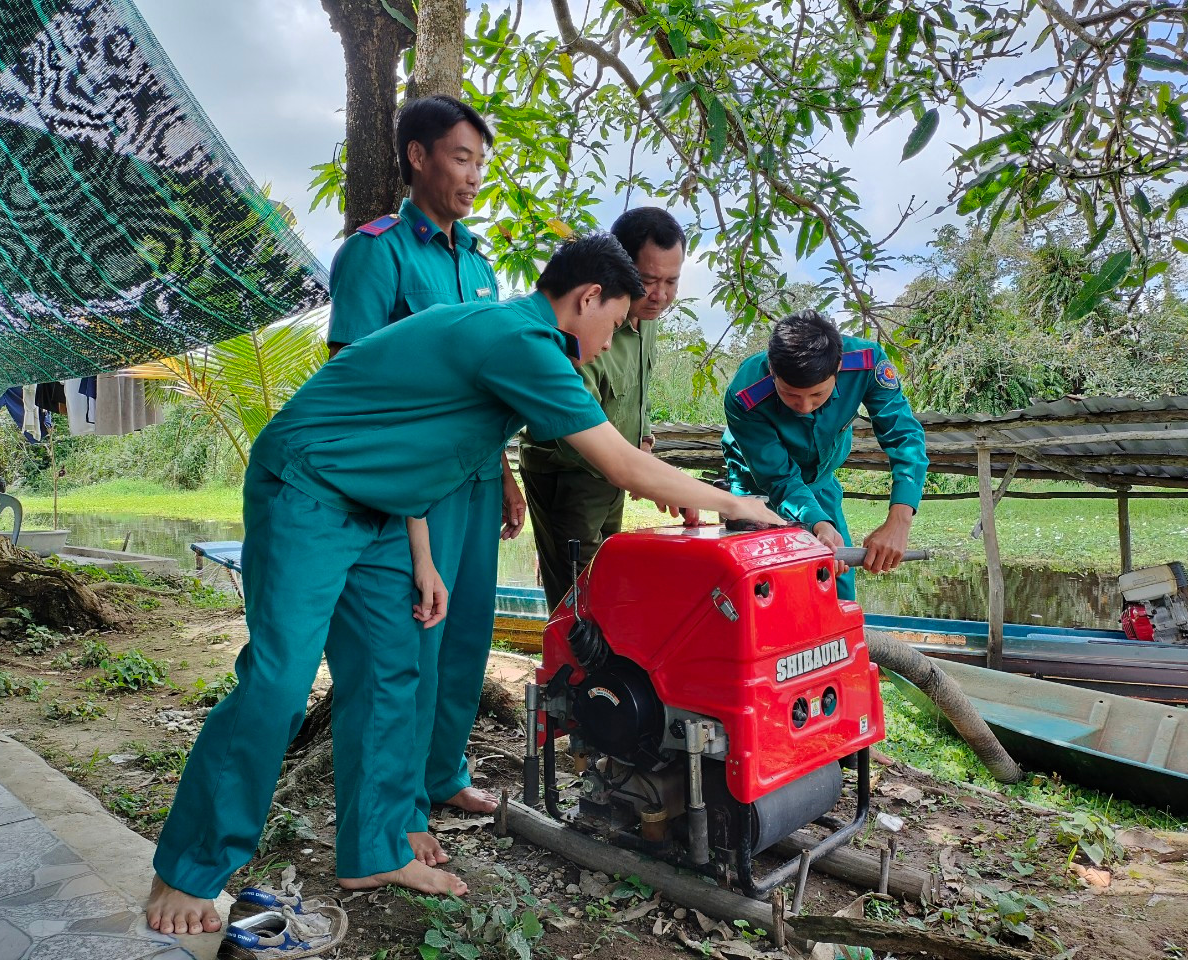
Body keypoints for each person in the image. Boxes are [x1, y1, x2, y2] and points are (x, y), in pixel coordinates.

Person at [144, 234, 782, 936]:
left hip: (385, 511)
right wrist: (740, 505)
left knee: (393, 676)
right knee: (277, 682)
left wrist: (422, 559)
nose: (612, 341)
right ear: (587, 298)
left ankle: (375, 848)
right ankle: (188, 869)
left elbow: (414, 439)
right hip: (309, 487)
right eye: (615, 320)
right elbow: (623, 466)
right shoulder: (521, 339)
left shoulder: (514, 341)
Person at [323, 95, 523, 867]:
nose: (474, 175)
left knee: (468, 636)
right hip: (415, 492)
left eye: (481, 160)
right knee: (414, 642)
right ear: (417, 156)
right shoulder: (376, 253)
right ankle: (399, 807)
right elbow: (358, 389)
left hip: (474, 483)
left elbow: (483, 387)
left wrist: (504, 472)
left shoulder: (477, 262)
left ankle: (444, 773)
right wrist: (404, 502)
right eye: (461, 157)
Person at [519, 207, 685, 610]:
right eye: (648, 281)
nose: (659, 296)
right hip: (570, 472)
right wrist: (644, 474)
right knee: (578, 598)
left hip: (617, 470)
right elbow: (574, 430)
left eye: (671, 281)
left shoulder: (647, 317)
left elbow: (636, 394)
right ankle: (572, 673)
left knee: (606, 584)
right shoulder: (585, 326)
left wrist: (643, 444)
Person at [722, 309, 928, 600]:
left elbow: (904, 436)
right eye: (791, 395)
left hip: (820, 482)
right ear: (771, 369)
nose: (804, 406)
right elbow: (778, 478)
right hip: (759, 490)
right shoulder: (744, 394)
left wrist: (899, 520)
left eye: (817, 395)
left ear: (839, 368)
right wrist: (818, 524)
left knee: (837, 589)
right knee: (767, 590)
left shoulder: (867, 364)